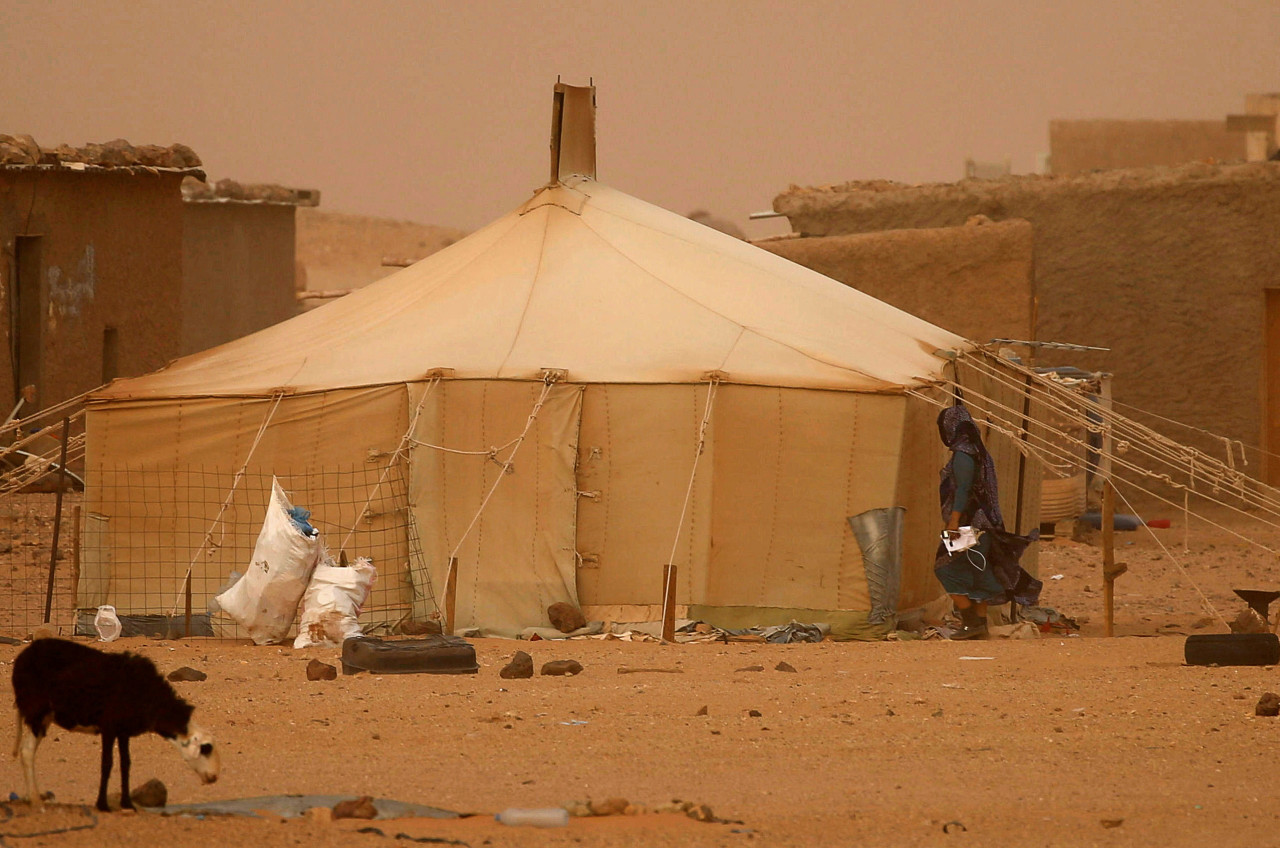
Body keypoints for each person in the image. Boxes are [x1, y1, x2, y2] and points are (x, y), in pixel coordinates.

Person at [935, 401, 1041, 639]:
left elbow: (962, 490)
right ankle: (979, 624)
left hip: (967, 526)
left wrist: (953, 523)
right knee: (978, 571)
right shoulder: (977, 453)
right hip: (981, 526)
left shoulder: (963, 456)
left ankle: (971, 622)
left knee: (944, 568)